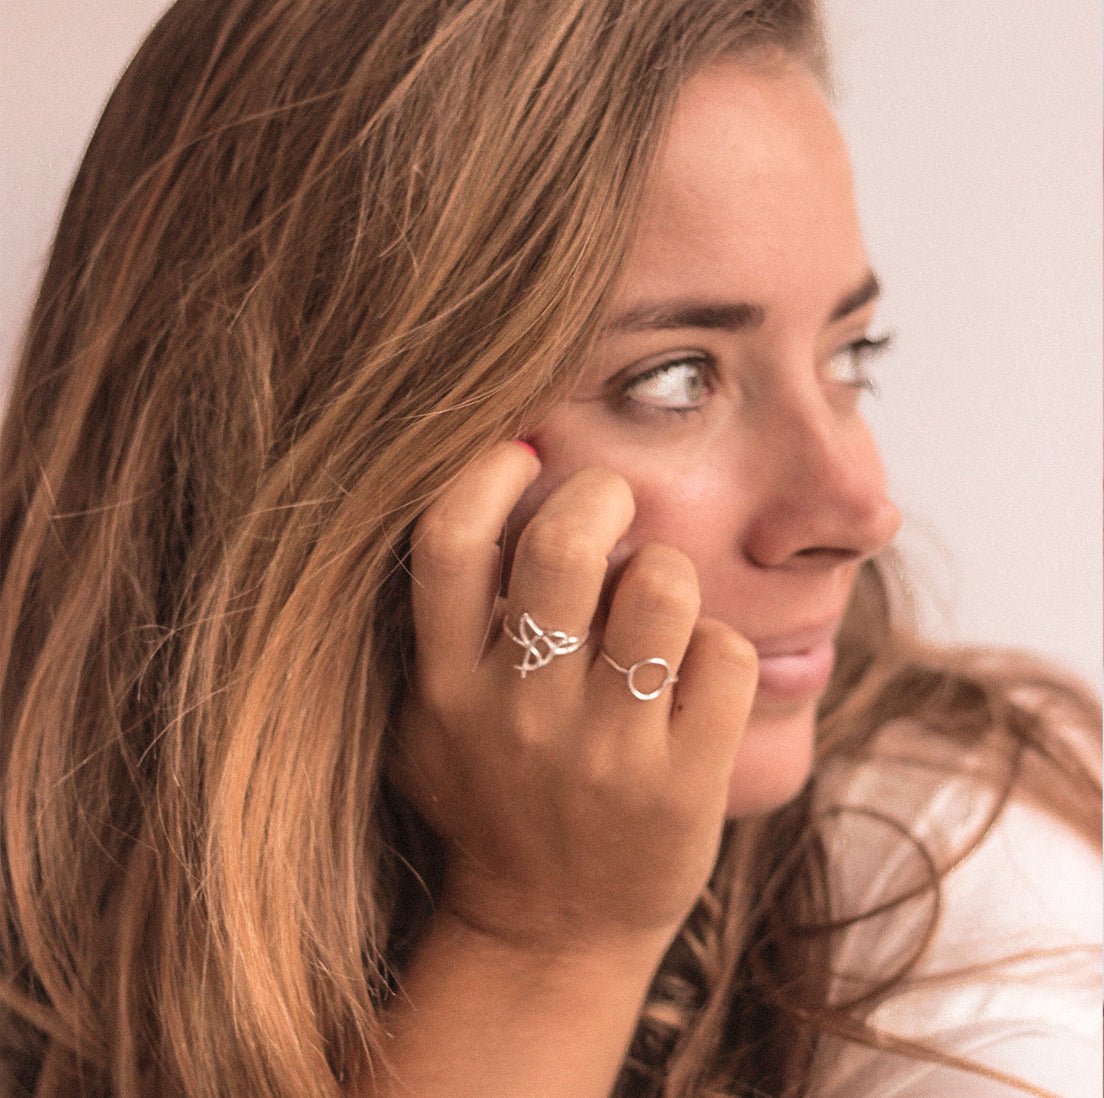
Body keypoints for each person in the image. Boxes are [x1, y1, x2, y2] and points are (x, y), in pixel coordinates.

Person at [0, 1, 1099, 1095]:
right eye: (674, 378)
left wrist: (550, 935)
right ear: (319, 442)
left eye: (852, 354)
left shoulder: (967, 898)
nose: (858, 510)